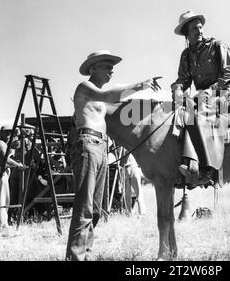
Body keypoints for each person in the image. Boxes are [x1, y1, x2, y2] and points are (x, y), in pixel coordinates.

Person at [66, 50, 161, 261]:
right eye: (107, 67)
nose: (111, 71)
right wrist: (139, 85)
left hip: (100, 147)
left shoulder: (101, 97)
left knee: (97, 210)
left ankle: (84, 254)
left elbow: (117, 102)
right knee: (85, 208)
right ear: (93, 68)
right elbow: (110, 95)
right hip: (87, 144)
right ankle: (76, 258)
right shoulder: (85, 87)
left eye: (112, 68)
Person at [171, 10, 230, 186]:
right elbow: (182, 80)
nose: (199, 31)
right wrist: (177, 89)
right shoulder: (186, 56)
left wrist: (211, 90)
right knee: (177, 112)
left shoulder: (216, 45)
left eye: (200, 27)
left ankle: (206, 169)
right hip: (199, 98)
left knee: (196, 111)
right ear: (187, 33)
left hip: (220, 96)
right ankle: (186, 163)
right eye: (194, 29)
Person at [0, 131, 25, 228]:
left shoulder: (2, 144)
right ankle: (2, 223)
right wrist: (18, 165)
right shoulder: (1, 144)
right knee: (2, 198)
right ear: (8, 135)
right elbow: (4, 159)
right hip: (0, 173)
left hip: (0, 172)